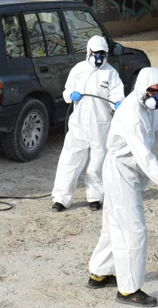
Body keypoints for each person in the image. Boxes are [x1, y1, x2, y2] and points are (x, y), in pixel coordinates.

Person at [87, 66, 158, 306]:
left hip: (128, 171)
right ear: (142, 90)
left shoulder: (151, 105)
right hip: (120, 173)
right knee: (134, 230)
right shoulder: (131, 115)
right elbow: (145, 160)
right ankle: (128, 289)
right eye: (154, 91)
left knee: (114, 224)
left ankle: (100, 272)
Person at [51, 35, 125, 212]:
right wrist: (71, 94)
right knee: (70, 161)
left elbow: (117, 95)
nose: (99, 57)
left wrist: (117, 103)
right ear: (88, 52)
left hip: (101, 125)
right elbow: (67, 90)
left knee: (97, 164)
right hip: (78, 125)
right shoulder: (79, 69)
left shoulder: (111, 73)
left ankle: (95, 197)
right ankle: (61, 198)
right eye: (96, 53)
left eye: (102, 54)